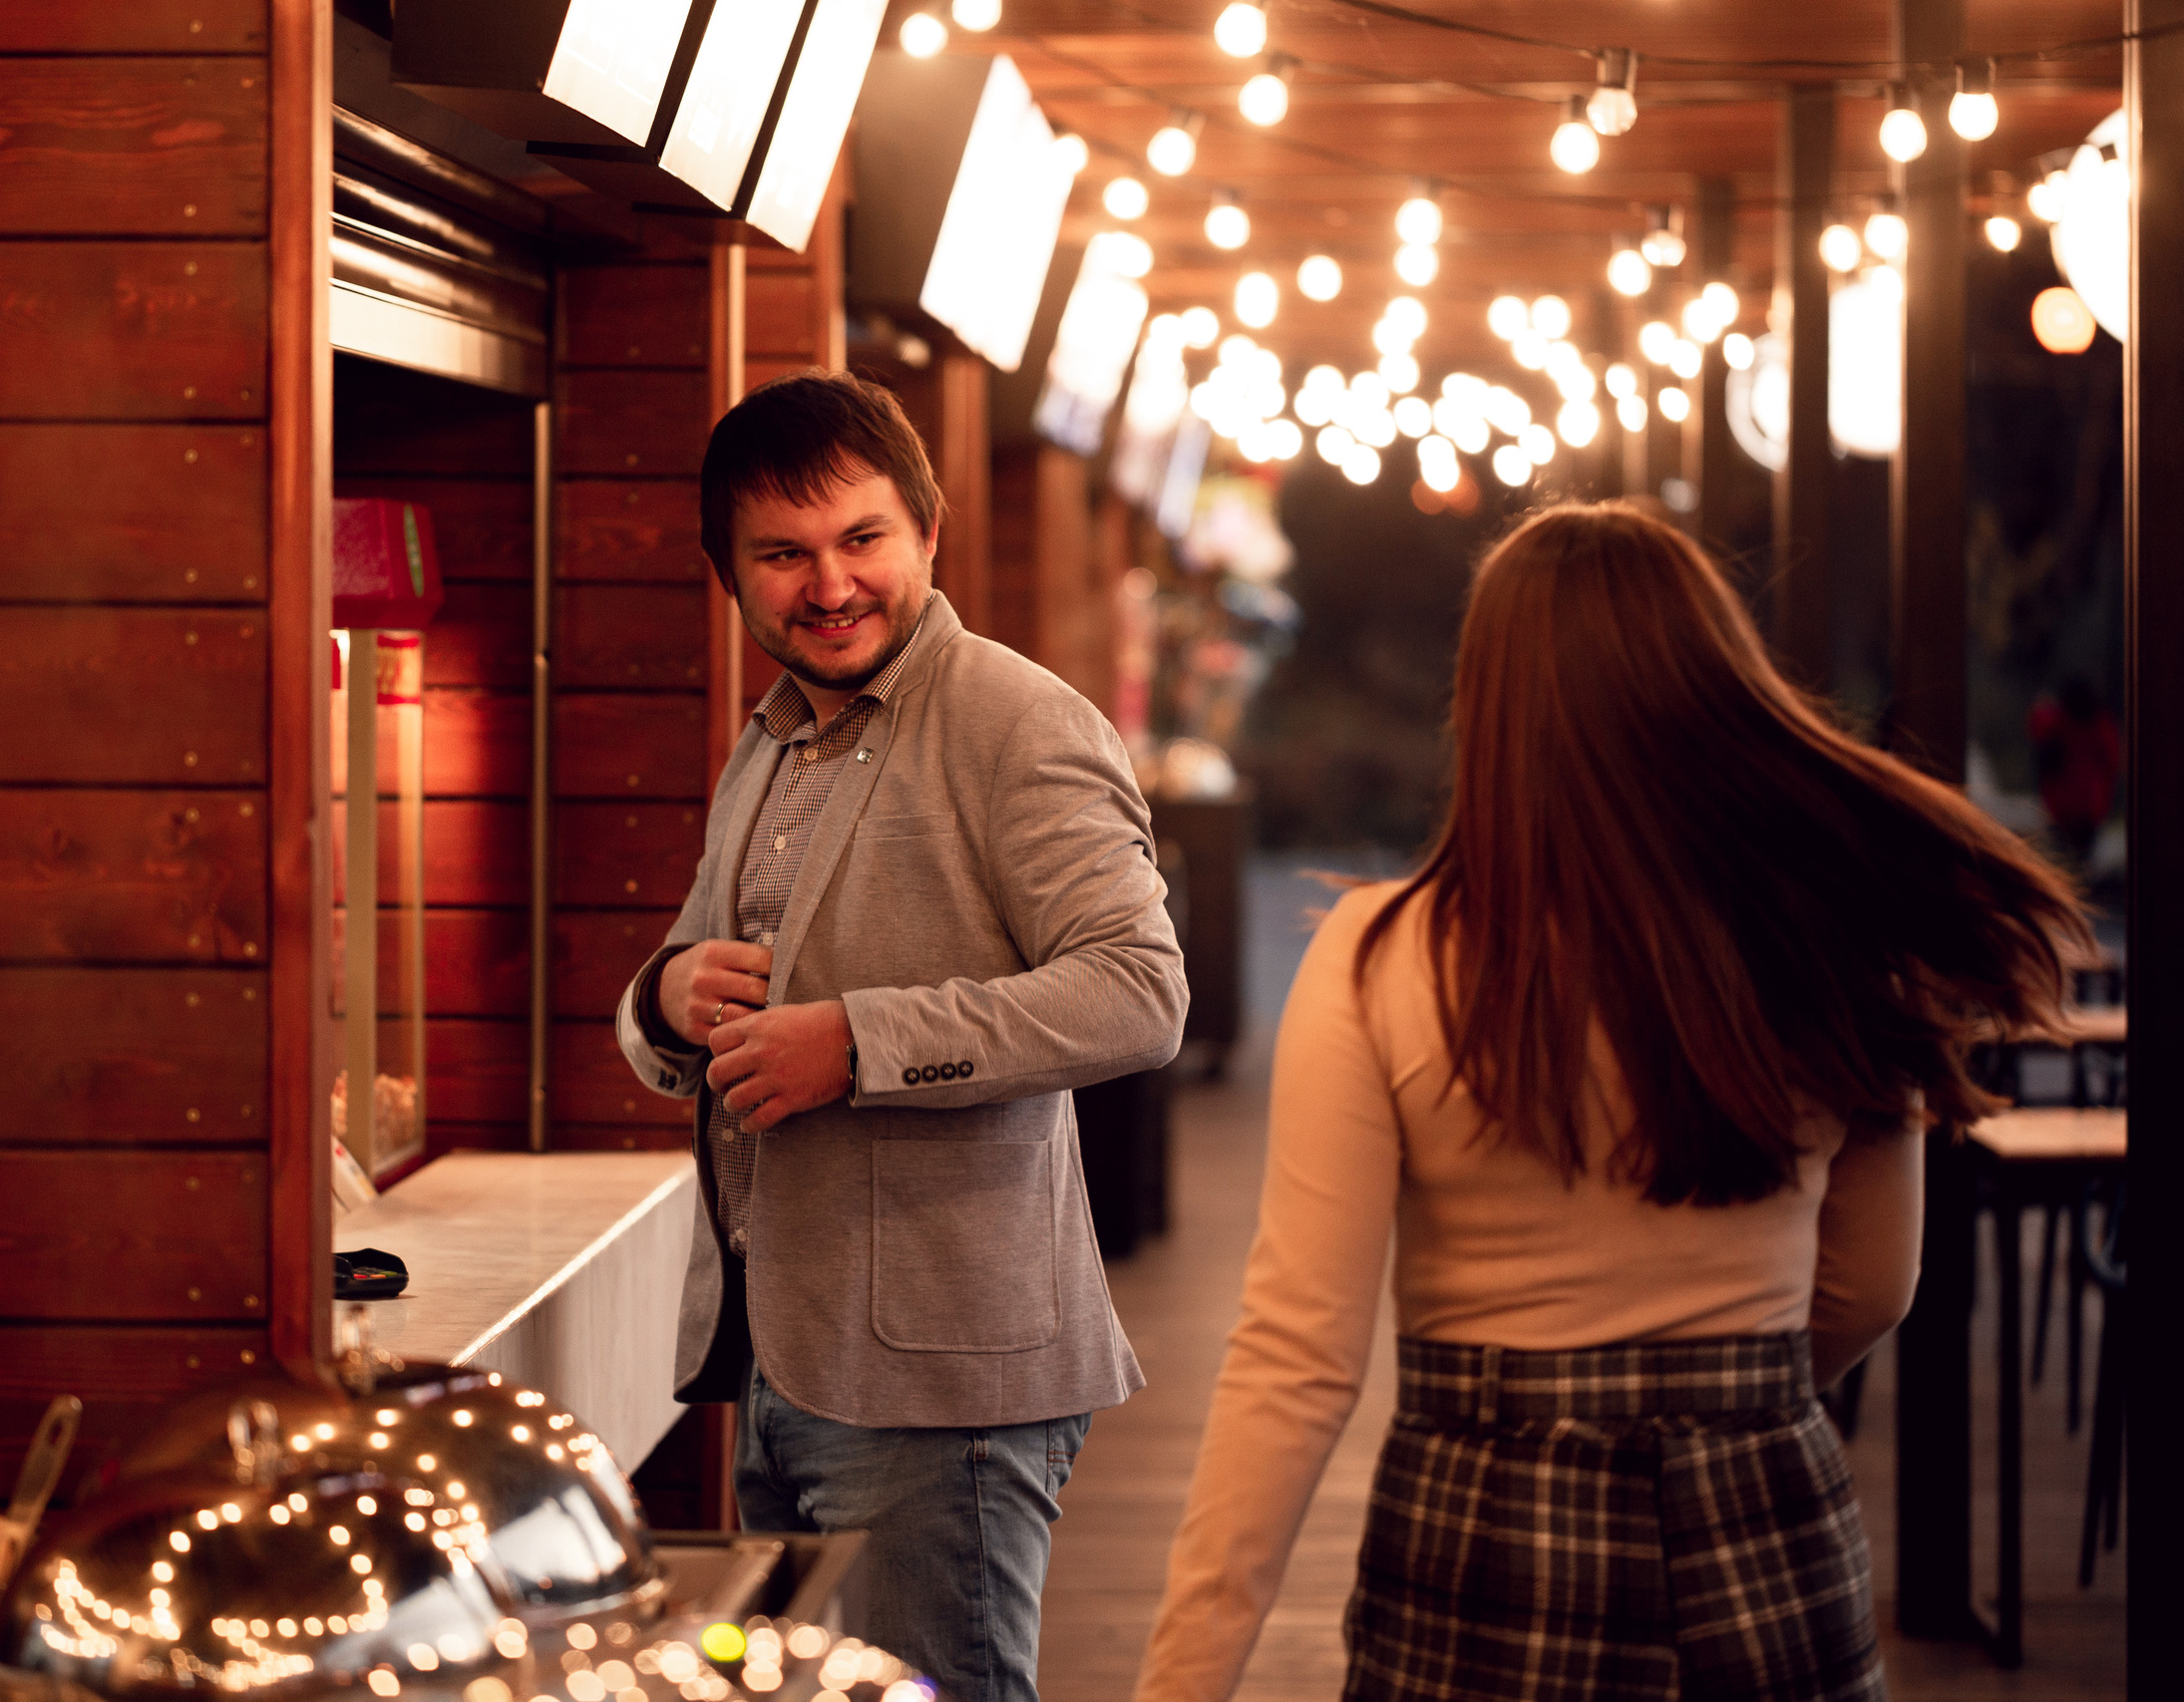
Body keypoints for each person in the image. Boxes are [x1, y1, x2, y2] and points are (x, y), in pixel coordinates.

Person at [1135, 505, 2086, 1702]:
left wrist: (1182, 1678)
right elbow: (1870, 1286)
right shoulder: (1834, 938)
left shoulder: (1382, 958)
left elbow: (1297, 1358)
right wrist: (1725, 1399)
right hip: (1764, 1522)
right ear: (1712, 685)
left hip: (1482, 1543)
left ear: (1489, 709)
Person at [615, 369, 1188, 1702]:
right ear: (730, 571)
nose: (829, 584)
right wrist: (664, 995)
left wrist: (859, 1043)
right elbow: (680, 980)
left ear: (928, 527)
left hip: (949, 1384)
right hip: (777, 1356)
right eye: (783, 553)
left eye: (861, 538)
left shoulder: (1018, 720)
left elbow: (1138, 990)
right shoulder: (767, 738)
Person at [2027, 674, 2120, 878]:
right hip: (2090, 804)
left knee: (2061, 863)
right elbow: (2112, 762)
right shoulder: (2101, 723)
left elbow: (2037, 725)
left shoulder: (2060, 721)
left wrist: (2042, 703)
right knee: (2082, 861)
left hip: (2060, 804)